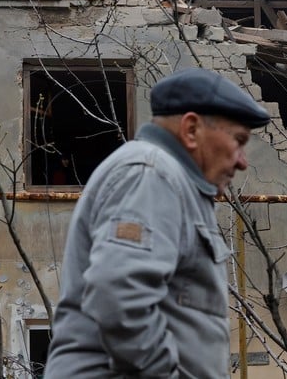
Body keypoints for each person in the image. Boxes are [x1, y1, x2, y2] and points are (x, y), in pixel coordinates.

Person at [45, 68, 270, 379]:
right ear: (191, 129)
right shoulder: (151, 174)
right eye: (239, 140)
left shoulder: (173, 182)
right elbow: (119, 294)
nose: (243, 161)